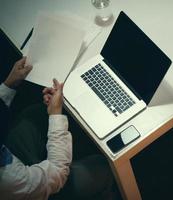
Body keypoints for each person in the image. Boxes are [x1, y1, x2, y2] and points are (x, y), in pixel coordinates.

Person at [0, 57, 116, 200]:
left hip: (8, 153)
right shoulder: (9, 181)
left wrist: (9, 84)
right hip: (23, 183)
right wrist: (55, 113)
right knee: (103, 166)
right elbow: (57, 173)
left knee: (34, 115)